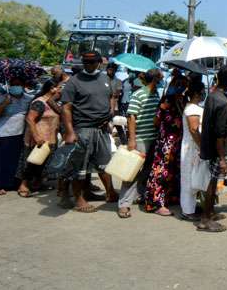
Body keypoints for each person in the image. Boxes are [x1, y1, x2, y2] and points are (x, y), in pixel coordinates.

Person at [60, 51, 118, 212]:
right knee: (80, 166)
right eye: (86, 62)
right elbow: (66, 108)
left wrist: (110, 115)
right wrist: (70, 131)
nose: (89, 65)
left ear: (99, 63)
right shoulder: (74, 82)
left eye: (92, 62)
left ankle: (110, 193)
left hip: (102, 129)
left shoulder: (105, 79)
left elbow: (111, 97)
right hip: (83, 129)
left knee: (104, 163)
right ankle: (79, 199)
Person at [116, 68, 162, 218]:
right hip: (141, 138)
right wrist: (132, 139)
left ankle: (139, 194)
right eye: (160, 77)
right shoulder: (139, 94)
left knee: (147, 170)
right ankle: (124, 204)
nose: (162, 79)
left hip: (152, 137)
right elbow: (131, 117)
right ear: (155, 80)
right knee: (132, 171)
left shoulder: (155, 94)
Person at [198, 66, 227, 233]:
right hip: (218, 148)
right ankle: (205, 219)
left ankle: (210, 212)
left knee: (212, 181)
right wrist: (222, 158)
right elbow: (220, 133)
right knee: (213, 182)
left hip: (210, 145)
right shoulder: (221, 101)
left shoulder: (213, 96)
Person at [144, 78, 187, 216]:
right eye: (179, 84)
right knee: (161, 172)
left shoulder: (184, 100)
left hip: (178, 142)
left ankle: (170, 198)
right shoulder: (166, 100)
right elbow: (156, 121)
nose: (182, 87)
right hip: (166, 143)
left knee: (173, 172)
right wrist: (163, 110)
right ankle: (156, 203)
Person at [0, 76, 33, 195]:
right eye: (13, 84)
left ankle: (13, 183)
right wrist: (4, 104)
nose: (16, 87)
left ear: (23, 86)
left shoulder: (28, 99)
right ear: (9, 86)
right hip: (3, 134)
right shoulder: (1, 99)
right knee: (1, 161)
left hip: (19, 134)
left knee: (16, 161)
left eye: (18, 84)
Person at [17, 79, 62, 197]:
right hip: (37, 139)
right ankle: (24, 185)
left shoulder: (54, 103)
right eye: (60, 88)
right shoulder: (40, 102)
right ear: (52, 89)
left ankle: (38, 184)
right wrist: (37, 136)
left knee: (43, 164)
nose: (61, 91)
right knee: (30, 163)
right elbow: (30, 119)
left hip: (50, 139)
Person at [180, 81, 206, 221]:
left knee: (193, 178)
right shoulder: (192, 110)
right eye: (202, 91)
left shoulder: (194, 107)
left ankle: (191, 207)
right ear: (196, 93)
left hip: (193, 147)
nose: (204, 93)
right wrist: (202, 146)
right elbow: (194, 130)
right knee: (189, 179)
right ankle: (188, 211)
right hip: (192, 148)